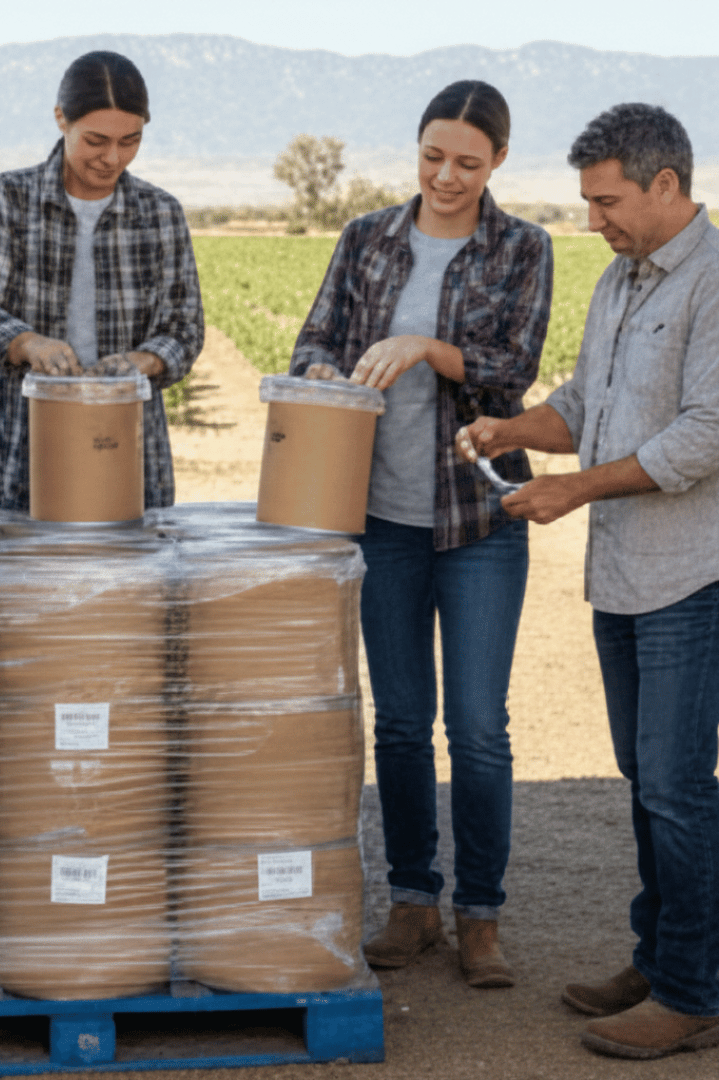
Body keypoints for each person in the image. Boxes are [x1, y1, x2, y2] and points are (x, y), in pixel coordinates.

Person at [459, 103, 719, 1059]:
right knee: (648, 781)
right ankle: (662, 959)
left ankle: (693, 993)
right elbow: (586, 403)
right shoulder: (619, 280)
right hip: (623, 576)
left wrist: (573, 490)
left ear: (665, 185)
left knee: (681, 790)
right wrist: (516, 431)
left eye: (606, 201)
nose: (593, 219)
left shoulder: (716, 285)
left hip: (692, 575)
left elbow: (705, 435)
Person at [290, 80, 553, 988]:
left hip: (479, 517)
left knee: (479, 728)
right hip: (381, 519)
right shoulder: (366, 236)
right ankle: (412, 902)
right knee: (402, 724)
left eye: (468, 164)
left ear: (498, 163)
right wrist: (331, 367)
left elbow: (514, 364)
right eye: (432, 156)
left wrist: (427, 350)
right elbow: (311, 341)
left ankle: (480, 918)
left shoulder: (524, 247)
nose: (446, 176)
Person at [0, 50, 203, 511]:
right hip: (24, 444)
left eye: (130, 141)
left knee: (126, 580)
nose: (112, 158)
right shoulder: (8, 199)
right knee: (33, 578)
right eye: (96, 140)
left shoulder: (161, 213)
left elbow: (185, 328)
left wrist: (143, 361)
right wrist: (28, 344)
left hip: (128, 444)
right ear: (60, 119)